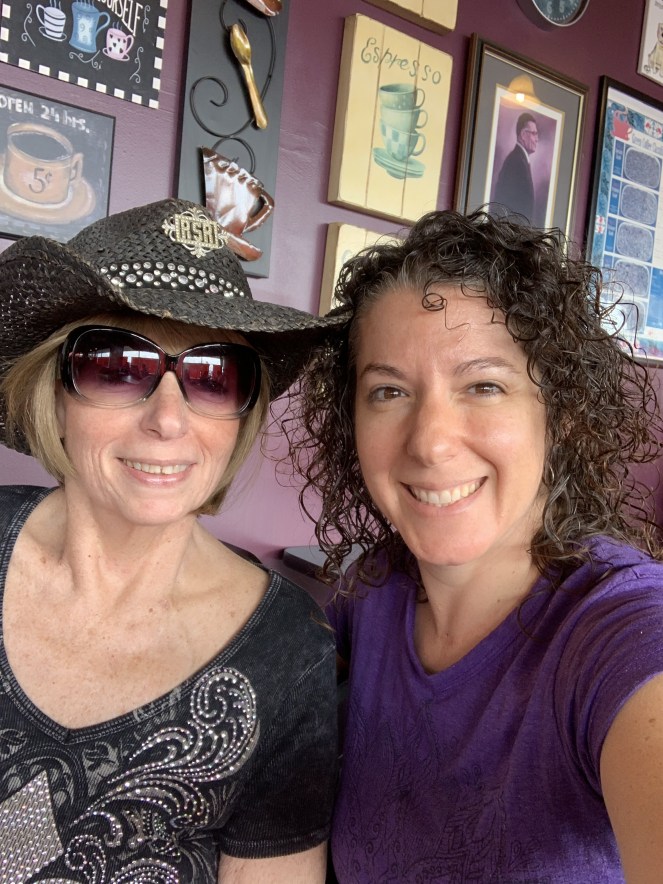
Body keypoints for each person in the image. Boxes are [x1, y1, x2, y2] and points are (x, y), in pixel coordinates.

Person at [285, 208, 663, 882]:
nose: (430, 442)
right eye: (388, 391)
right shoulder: (374, 591)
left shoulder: (620, 629)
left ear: (560, 414)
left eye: (484, 386)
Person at [0, 198, 343, 882]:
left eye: (213, 378)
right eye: (116, 366)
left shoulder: (289, 650)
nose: (168, 419)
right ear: (55, 393)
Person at [492, 111, 538, 223]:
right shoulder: (516, 162)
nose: (537, 139)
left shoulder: (519, 160)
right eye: (534, 133)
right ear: (523, 135)